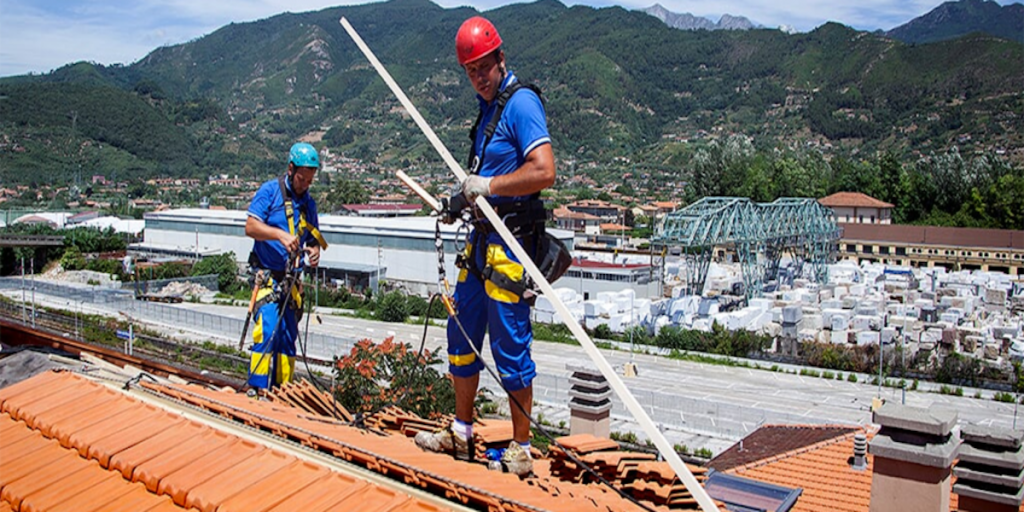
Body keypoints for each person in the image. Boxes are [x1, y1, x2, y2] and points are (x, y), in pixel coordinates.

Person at [415, 16, 556, 477]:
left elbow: (543, 171)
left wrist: (488, 185)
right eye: (470, 70)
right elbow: (486, 180)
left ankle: (520, 448)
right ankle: (461, 430)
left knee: (510, 346)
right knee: (461, 334)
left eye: (483, 67)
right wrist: (462, 200)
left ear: (500, 58)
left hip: (511, 246)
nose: (477, 77)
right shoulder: (489, 109)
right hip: (481, 239)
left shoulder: (521, 104)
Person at [244, 142, 327, 391]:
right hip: (268, 276)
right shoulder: (269, 192)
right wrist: (279, 235)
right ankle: (257, 388)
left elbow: (313, 240)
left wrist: (314, 251)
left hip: (291, 281)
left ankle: (283, 390)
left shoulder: (308, 204)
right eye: (302, 179)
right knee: (268, 330)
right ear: (291, 169)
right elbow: (250, 227)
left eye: (310, 181)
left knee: (288, 338)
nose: (305, 185)